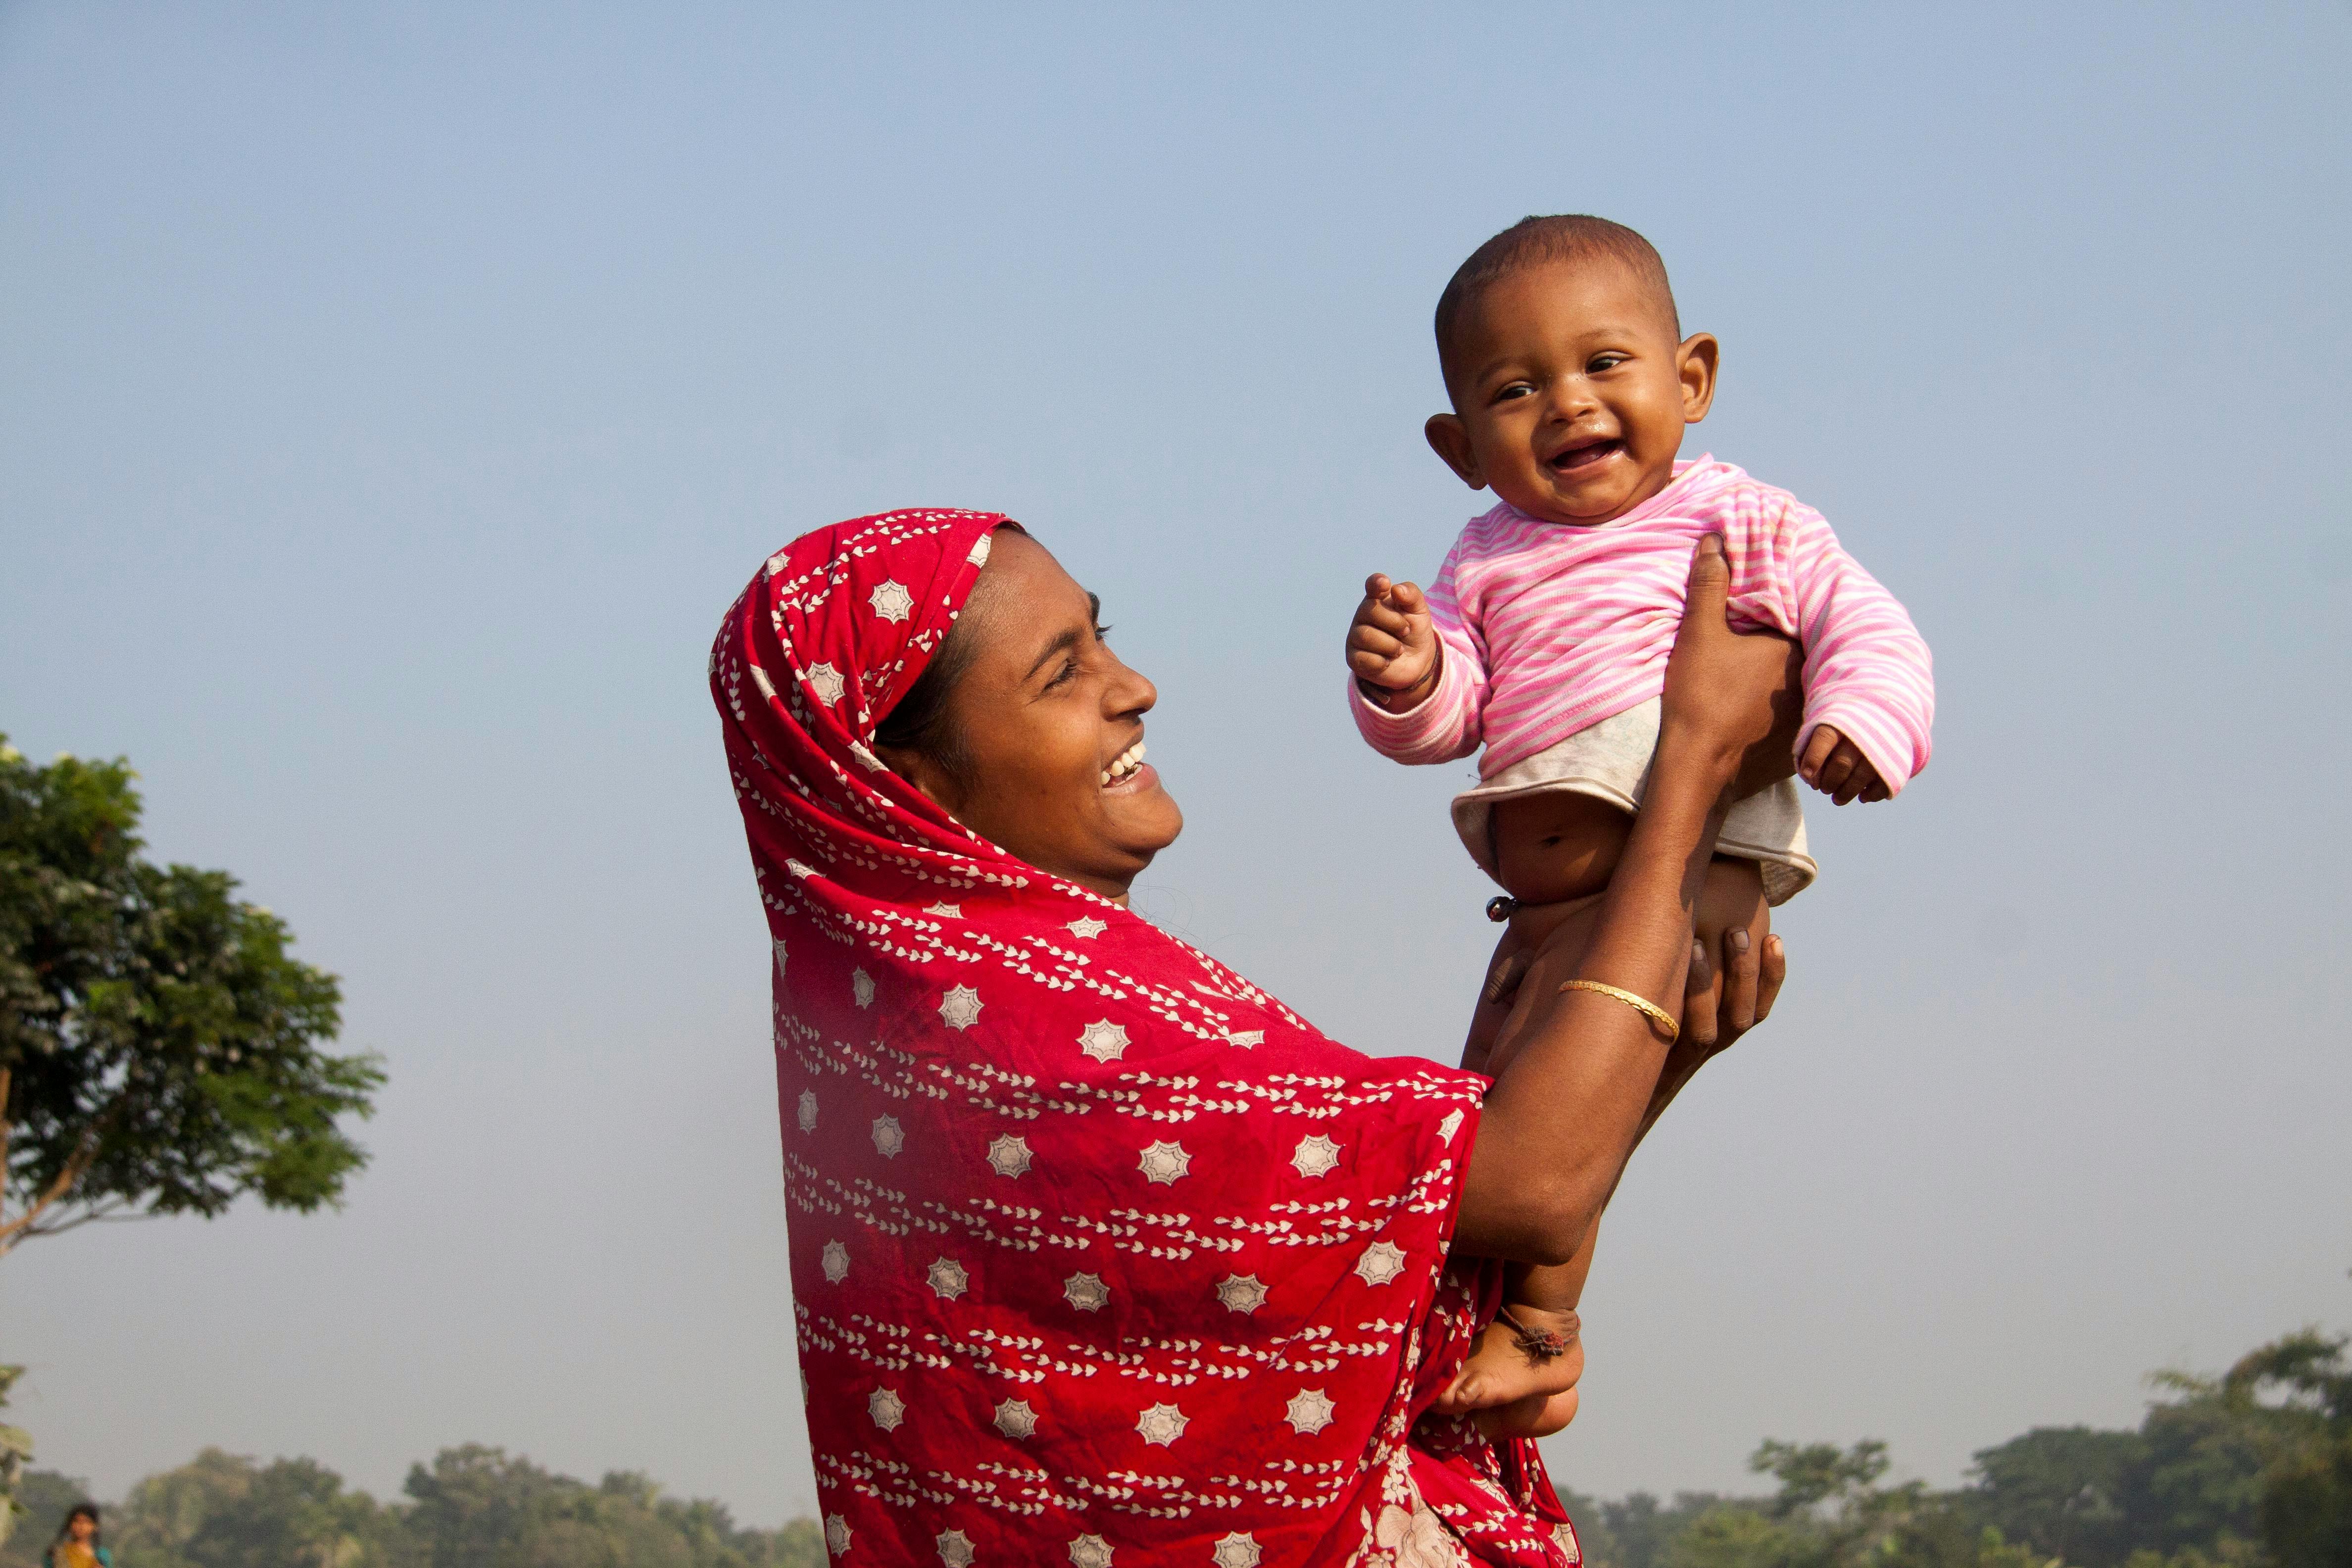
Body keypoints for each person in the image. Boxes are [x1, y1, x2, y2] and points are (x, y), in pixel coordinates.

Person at [713, 510, 1795, 1566]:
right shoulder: (1028, 1035)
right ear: (911, 788)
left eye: (1102, 635)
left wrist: (1653, 1046)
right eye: (1061, 673)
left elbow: (1426, 1217)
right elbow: (1525, 1183)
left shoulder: (947, 1019)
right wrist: (1689, 767)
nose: (1133, 688)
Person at [1343, 211, 1938, 1436]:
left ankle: (1535, 1333)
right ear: (1458, 447)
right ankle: (1521, 1334)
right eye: (1515, 389)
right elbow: (1458, 711)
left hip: (1669, 876)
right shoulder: (1482, 556)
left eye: (1602, 364)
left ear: (1692, 378)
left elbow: (1863, 621)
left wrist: (1864, 722)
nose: (1566, 403)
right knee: (1521, 1121)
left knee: (1522, 1140)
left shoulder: (1739, 518)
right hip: (1550, 906)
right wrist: (1405, 677)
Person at [46, 1504, 110, 1568]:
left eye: (86, 1521)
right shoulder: (56, 1553)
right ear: (69, 1525)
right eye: (76, 1521)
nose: (80, 1526)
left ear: (95, 1526)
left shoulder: (102, 1555)